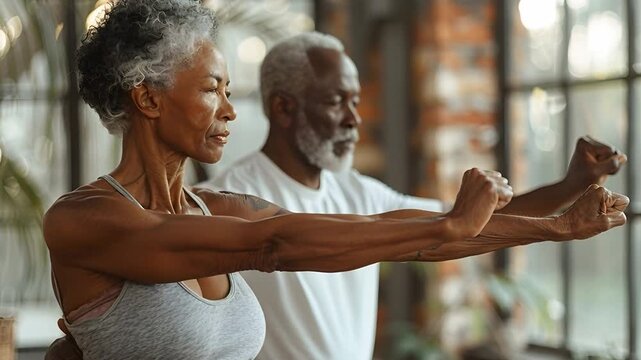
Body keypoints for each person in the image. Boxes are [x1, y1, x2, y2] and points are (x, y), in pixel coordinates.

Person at [44, 1, 627, 358]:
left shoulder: (215, 206)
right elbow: (276, 244)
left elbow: (404, 235)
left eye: (228, 90)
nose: (229, 110)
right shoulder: (83, 220)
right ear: (147, 97)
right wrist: (452, 224)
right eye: (210, 89)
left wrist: (555, 228)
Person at [204, 32, 629, 360]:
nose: (354, 119)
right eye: (337, 102)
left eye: (356, 101)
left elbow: (468, 223)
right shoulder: (229, 200)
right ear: (283, 108)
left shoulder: (358, 192)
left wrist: (571, 185)